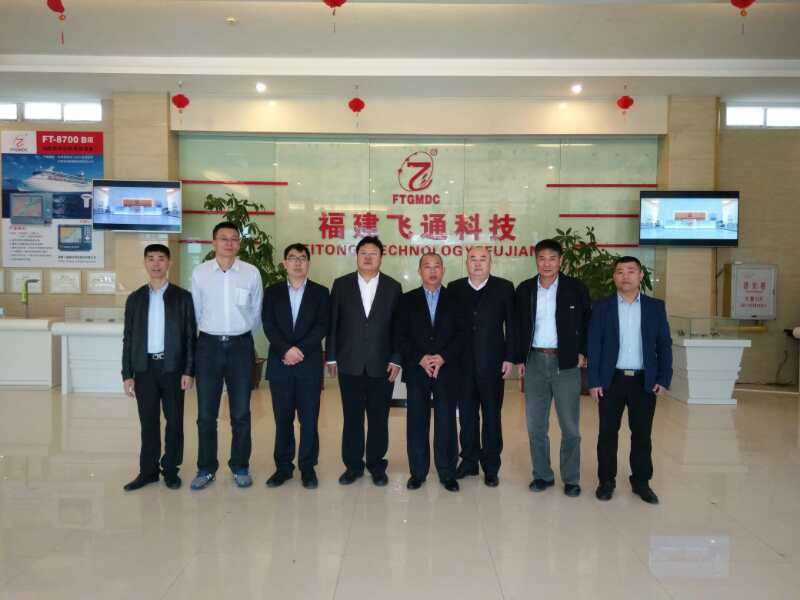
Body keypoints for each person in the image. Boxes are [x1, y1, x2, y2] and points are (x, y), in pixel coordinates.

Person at [588, 256, 672, 505]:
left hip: (643, 381)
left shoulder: (655, 307)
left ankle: (641, 482)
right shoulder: (601, 306)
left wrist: (664, 377)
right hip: (610, 380)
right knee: (607, 434)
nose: (625, 276)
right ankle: (606, 481)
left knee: (642, 434)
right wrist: (593, 380)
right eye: (620, 272)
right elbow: (594, 345)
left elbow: (664, 344)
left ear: (640, 275)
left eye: (631, 271)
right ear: (614, 277)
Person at [190, 221, 263, 490]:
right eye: (224, 238)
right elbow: (196, 311)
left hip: (241, 346)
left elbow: (256, 312)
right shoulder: (200, 273)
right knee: (206, 414)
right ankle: (206, 468)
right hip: (208, 346)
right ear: (214, 243)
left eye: (234, 239)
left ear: (239, 243)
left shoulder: (251, 273)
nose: (229, 243)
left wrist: (238, 334)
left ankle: (240, 466)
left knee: (241, 413)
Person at [515, 239, 591, 497]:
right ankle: (542, 475)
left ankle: (571, 478)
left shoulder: (576, 288)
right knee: (536, 425)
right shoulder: (525, 289)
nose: (547, 263)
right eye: (542, 258)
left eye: (552, 258)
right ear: (536, 260)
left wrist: (584, 352)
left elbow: (588, 322)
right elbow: (517, 327)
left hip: (566, 363)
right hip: (535, 361)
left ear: (561, 261)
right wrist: (519, 359)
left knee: (570, 426)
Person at [327, 236, 402, 486]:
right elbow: (333, 323)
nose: (368, 257)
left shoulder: (393, 287)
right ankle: (353, 466)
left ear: (381, 257)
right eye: (363, 253)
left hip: (382, 364)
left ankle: (376, 465)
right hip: (350, 362)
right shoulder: (341, 284)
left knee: (379, 418)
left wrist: (397, 359)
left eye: (373, 253)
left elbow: (398, 327)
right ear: (357, 257)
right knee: (352, 418)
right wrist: (331, 357)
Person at [121, 243, 196, 491]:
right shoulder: (135, 299)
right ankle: (148, 471)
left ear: (169, 263)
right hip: (144, 369)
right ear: (145, 263)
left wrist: (189, 370)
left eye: (161, 258)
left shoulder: (182, 297)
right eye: (151, 259)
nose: (156, 264)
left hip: (172, 368)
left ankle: (171, 470)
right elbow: (128, 338)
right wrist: (127, 374)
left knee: (174, 421)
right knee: (148, 422)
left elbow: (190, 337)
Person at [262, 243, 330, 489]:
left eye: (302, 258)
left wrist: (299, 350)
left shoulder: (321, 292)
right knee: (283, 420)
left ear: (308, 263)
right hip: (280, 365)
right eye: (292, 258)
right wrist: (285, 350)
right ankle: (283, 467)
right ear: (284, 263)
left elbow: (322, 326)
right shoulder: (272, 292)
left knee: (309, 420)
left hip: (308, 364)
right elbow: (268, 324)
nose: (297, 262)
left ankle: (308, 468)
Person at [396, 253, 465, 492]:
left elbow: (463, 334)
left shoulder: (456, 299)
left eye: (437, 266)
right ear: (419, 271)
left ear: (443, 270)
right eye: (427, 266)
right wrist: (420, 358)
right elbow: (399, 336)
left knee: (446, 421)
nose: (432, 271)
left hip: (447, 369)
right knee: (417, 421)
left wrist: (443, 357)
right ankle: (418, 472)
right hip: (418, 369)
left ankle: (447, 472)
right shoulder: (407, 300)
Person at [447, 246, 515, 487]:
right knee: (467, 415)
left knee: (492, 416)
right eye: (473, 259)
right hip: (462, 364)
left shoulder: (504, 288)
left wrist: (510, 357)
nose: (477, 263)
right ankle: (468, 461)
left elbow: (512, 326)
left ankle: (491, 466)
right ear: (466, 263)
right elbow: (448, 326)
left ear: (490, 262)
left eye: (482, 259)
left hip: (493, 364)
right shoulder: (454, 288)